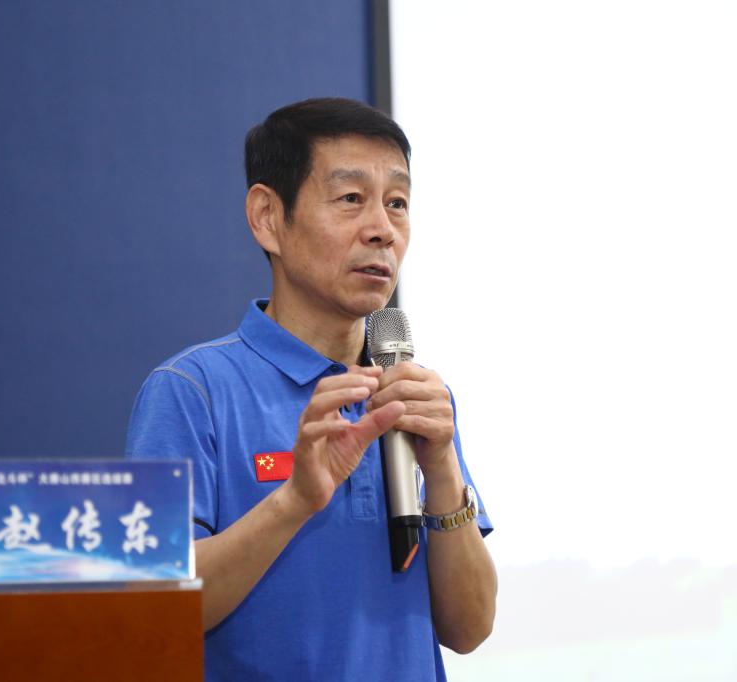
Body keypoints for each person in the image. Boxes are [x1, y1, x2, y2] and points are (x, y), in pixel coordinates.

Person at [126, 97, 496, 681]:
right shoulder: (192, 391)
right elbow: (156, 611)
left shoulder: (413, 396)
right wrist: (295, 500)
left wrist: (444, 469)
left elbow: (469, 628)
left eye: (397, 203)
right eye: (350, 199)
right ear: (268, 217)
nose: (382, 230)